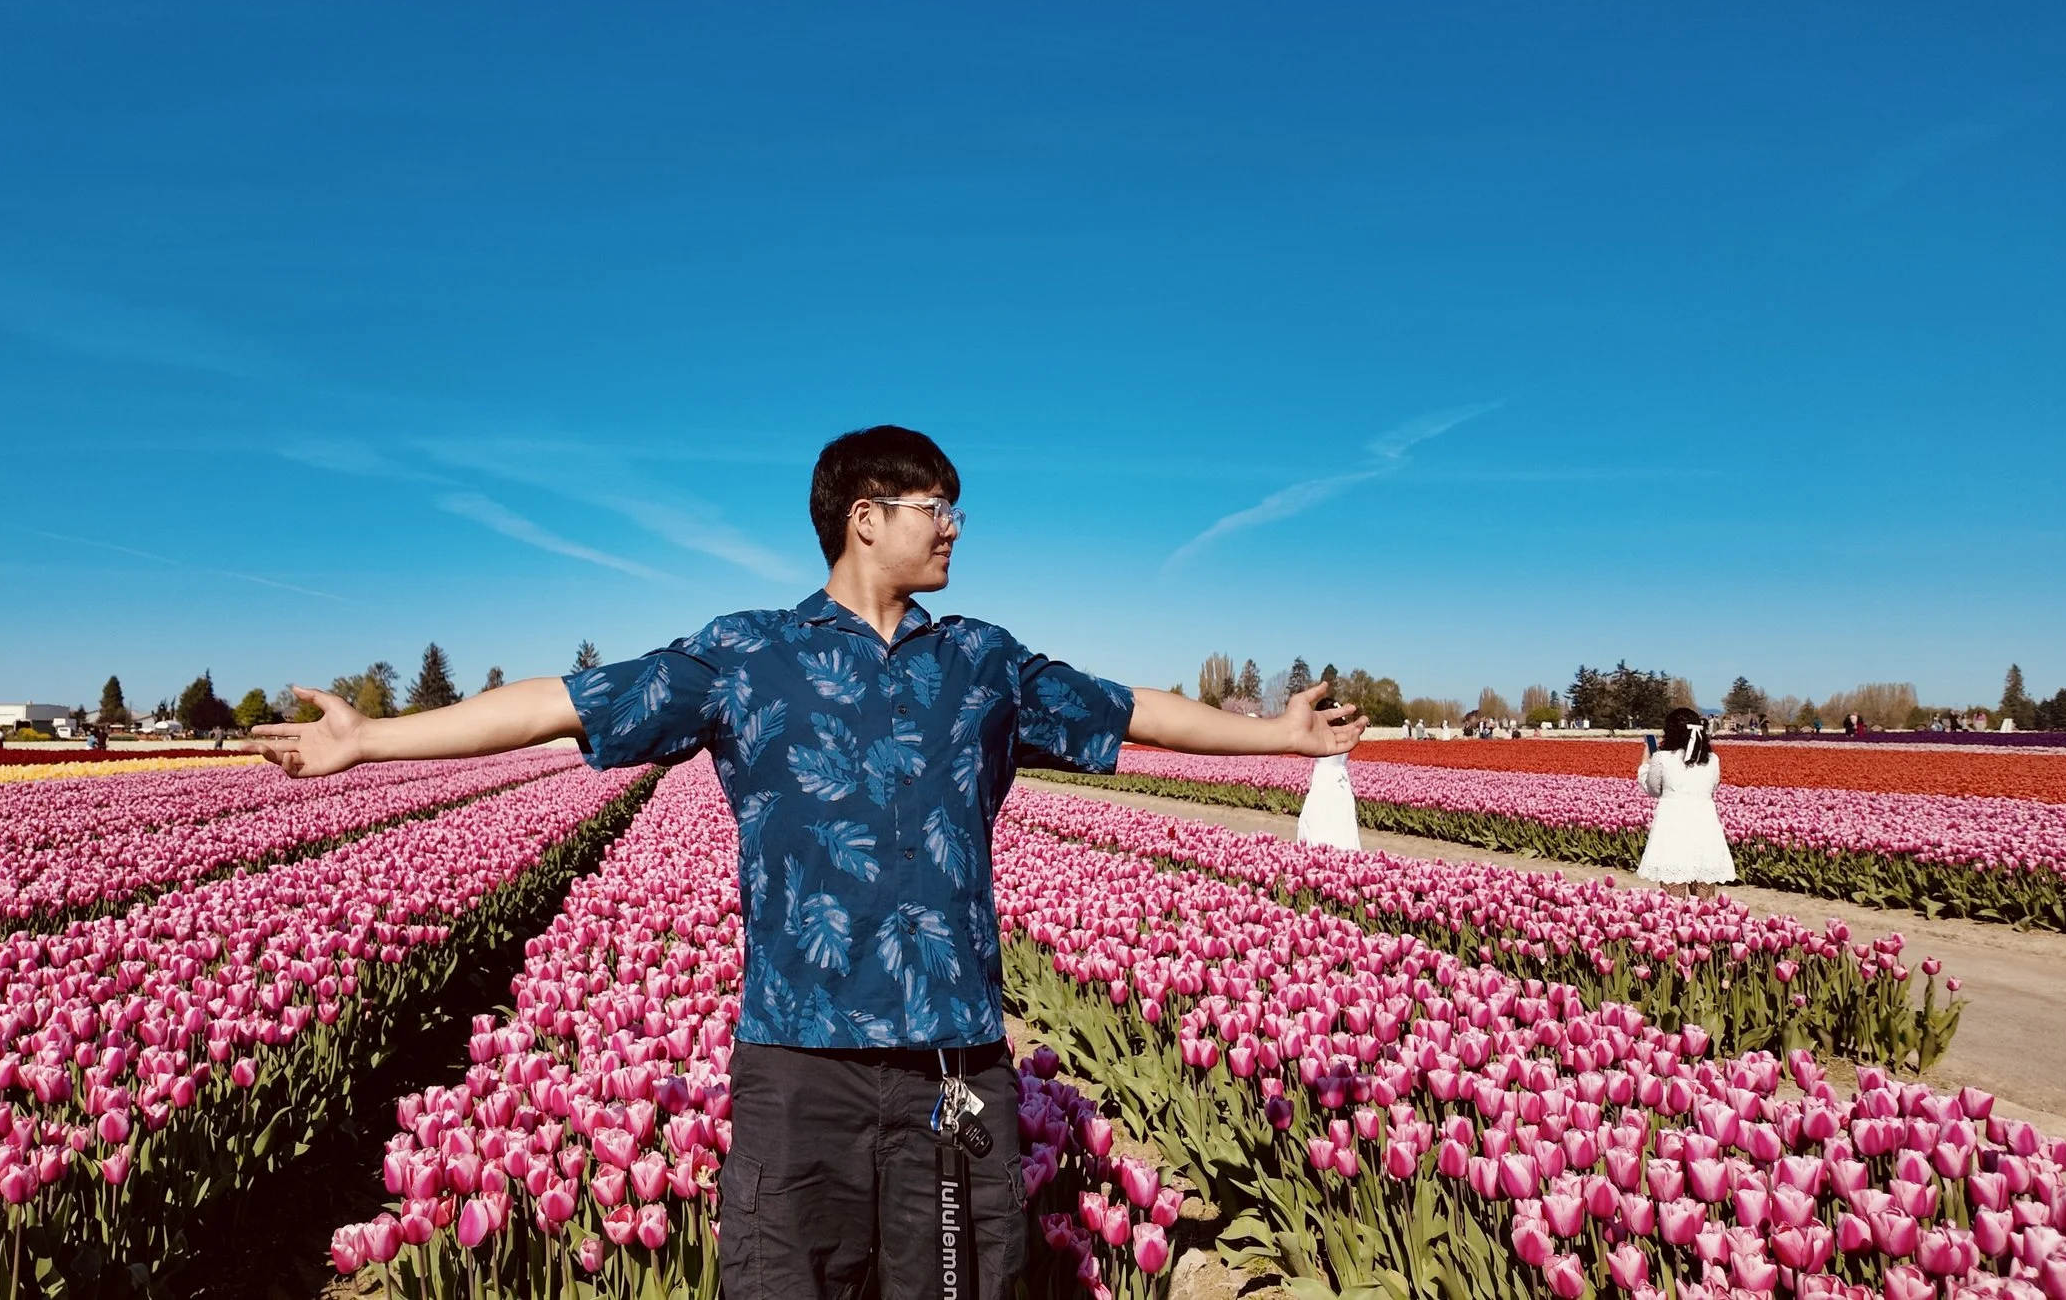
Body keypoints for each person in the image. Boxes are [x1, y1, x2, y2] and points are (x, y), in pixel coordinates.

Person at [245, 425, 1366, 1300]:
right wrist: (370, 737)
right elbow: (561, 700)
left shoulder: (982, 661)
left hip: (951, 1062)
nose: (957, 528)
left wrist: (1281, 734)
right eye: (939, 507)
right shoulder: (747, 655)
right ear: (865, 517)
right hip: (798, 1060)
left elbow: (1128, 708)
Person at [1635, 706, 1734, 897]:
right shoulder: (1712, 759)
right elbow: (1713, 789)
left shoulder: (1662, 758)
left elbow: (1653, 789)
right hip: (1705, 827)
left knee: (1674, 900)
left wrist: (1645, 763)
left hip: (1673, 827)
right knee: (1705, 901)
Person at [1296, 705, 1363, 851]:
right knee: (1342, 816)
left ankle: (1316, 847)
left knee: (1319, 814)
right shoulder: (1346, 733)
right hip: (1342, 779)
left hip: (1323, 777)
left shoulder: (1318, 734)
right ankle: (1345, 850)